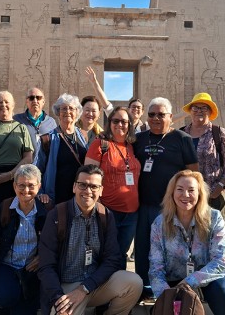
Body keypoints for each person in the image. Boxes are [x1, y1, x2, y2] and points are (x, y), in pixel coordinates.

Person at [37, 164, 143, 315]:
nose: (88, 191)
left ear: (101, 190)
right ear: (74, 187)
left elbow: (112, 259)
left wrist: (84, 288)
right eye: (83, 185)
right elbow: (46, 265)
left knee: (134, 283)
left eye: (94, 186)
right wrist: (57, 297)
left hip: (94, 284)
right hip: (64, 287)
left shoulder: (105, 215)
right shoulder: (57, 215)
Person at [133, 97, 199, 299]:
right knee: (143, 249)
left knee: (170, 250)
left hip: (170, 206)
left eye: (161, 114)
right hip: (143, 204)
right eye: (151, 114)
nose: (155, 118)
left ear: (171, 117)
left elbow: (193, 173)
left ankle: (171, 289)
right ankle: (144, 288)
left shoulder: (182, 139)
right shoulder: (140, 139)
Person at [149, 170, 225, 315]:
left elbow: (222, 261)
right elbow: (155, 267)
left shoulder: (214, 218)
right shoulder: (159, 224)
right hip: (173, 280)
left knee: (222, 289)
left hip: (207, 277)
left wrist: (189, 282)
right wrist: (166, 295)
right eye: (180, 190)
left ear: (200, 194)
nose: (185, 195)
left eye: (191, 190)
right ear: (171, 193)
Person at [0, 164, 51, 315]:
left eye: (31, 185)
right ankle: (8, 298)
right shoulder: (4, 208)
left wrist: (42, 256)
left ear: (39, 186)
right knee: (6, 298)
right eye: (21, 185)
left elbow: (56, 241)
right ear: (14, 186)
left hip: (32, 270)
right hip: (7, 264)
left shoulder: (47, 209)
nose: (26, 190)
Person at [85, 106, 141, 267]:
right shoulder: (100, 144)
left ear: (130, 124)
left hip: (131, 214)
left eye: (124, 121)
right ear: (109, 123)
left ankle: (120, 290)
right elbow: (88, 178)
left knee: (121, 254)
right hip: (108, 211)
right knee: (105, 253)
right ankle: (98, 289)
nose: (120, 125)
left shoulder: (131, 146)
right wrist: (95, 205)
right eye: (115, 121)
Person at [180, 92, 225, 218]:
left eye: (204, 108)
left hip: (212, 196)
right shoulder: (181, 133)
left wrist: (219, 188)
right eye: (195, 108)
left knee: (213, 235)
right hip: (185, 197)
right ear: (190, 111)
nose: (199, 111)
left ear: (210, 112)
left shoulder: (219, 133)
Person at [34, 93, 88, 205]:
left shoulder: (84, 136)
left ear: (77, 112)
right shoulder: (47, 139)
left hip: (80, 195)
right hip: (57, 197)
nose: (67, 111)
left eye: (71, 108)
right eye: (63, 108)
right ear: (58, 112)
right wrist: (40, 192)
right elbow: (37, 169)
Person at [84, 66, 148, 132]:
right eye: (133, 107)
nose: (136, 109)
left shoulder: (146, 128)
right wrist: (94, 82)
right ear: (128, 109)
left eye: (138, 107)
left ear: (142, 112)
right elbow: (105, 103)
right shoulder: (119, 120)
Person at [12, 88, 57, 161]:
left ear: (43, 102)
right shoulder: (16, 120)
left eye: (38, 98)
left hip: (44, 167)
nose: (35, 101)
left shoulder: (51, 122)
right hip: (23, 166)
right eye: (31, 98)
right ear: (27, 102)